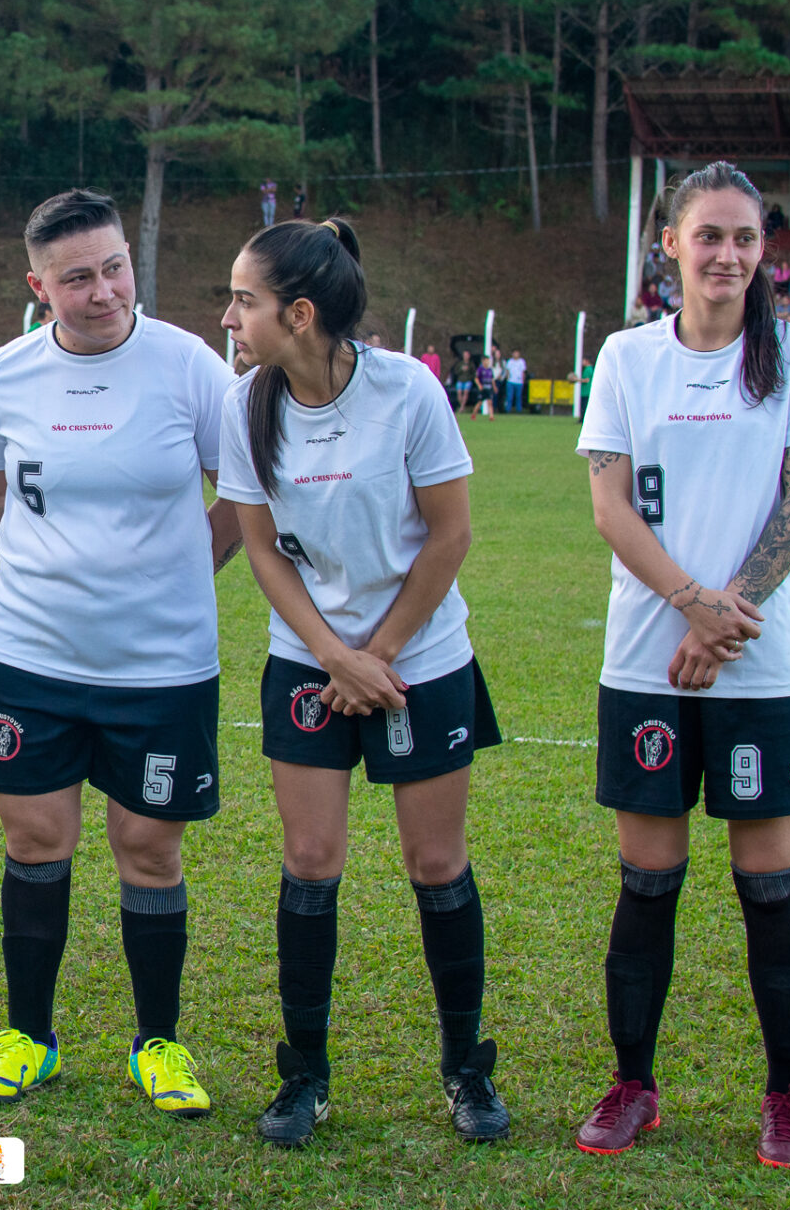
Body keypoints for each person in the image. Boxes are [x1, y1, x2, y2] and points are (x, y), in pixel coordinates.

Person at [211, 216, 508, 1149]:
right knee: (309, 862)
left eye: (244, 301)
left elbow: (449, 536)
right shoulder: (244, 402)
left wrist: (377, 654)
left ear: (298, 314)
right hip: (311, 662)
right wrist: (335, 657)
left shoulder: (409, 392)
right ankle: (304, 1077)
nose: (229, 317)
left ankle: (467, 1070)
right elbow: (259, 547)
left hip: (419, 661)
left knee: (436, 866)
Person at [572, 161, 790, 1170]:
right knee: (649, 881)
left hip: (761, 669)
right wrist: (692, 604)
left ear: (762, 249)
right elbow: (609, 506)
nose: (727, 253)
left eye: (744, 237)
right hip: (647, 661)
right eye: (709, 236)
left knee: (769, 888)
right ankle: (633, 1082)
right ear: (670, 246)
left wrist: (729, 618)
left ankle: (784, 1096)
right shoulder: (627, 357)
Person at [0, 188, 236, 1120]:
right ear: (40, 286)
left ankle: (158, 1044)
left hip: (162, 665)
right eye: (78, 277)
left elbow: (236, 495)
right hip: (31, 657)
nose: (105, 289)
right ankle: (27, 1039)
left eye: (114, 266)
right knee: (34, 839)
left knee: (148, 849)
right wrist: (47, 578)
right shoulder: (0, 378)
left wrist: (178, 575)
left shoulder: (191, 368)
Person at [504, 348, 528, 414]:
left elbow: (523, 372)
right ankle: (508, 410)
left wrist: (522, 381)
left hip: (519, 382)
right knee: (509, 396)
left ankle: (519, 410)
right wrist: (508, 379)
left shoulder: (521, 362)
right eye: (514, 353)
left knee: (518, 396)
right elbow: (507, 371)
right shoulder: (510, 361)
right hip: (510, 382)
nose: (516, 354)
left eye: (517, 353)